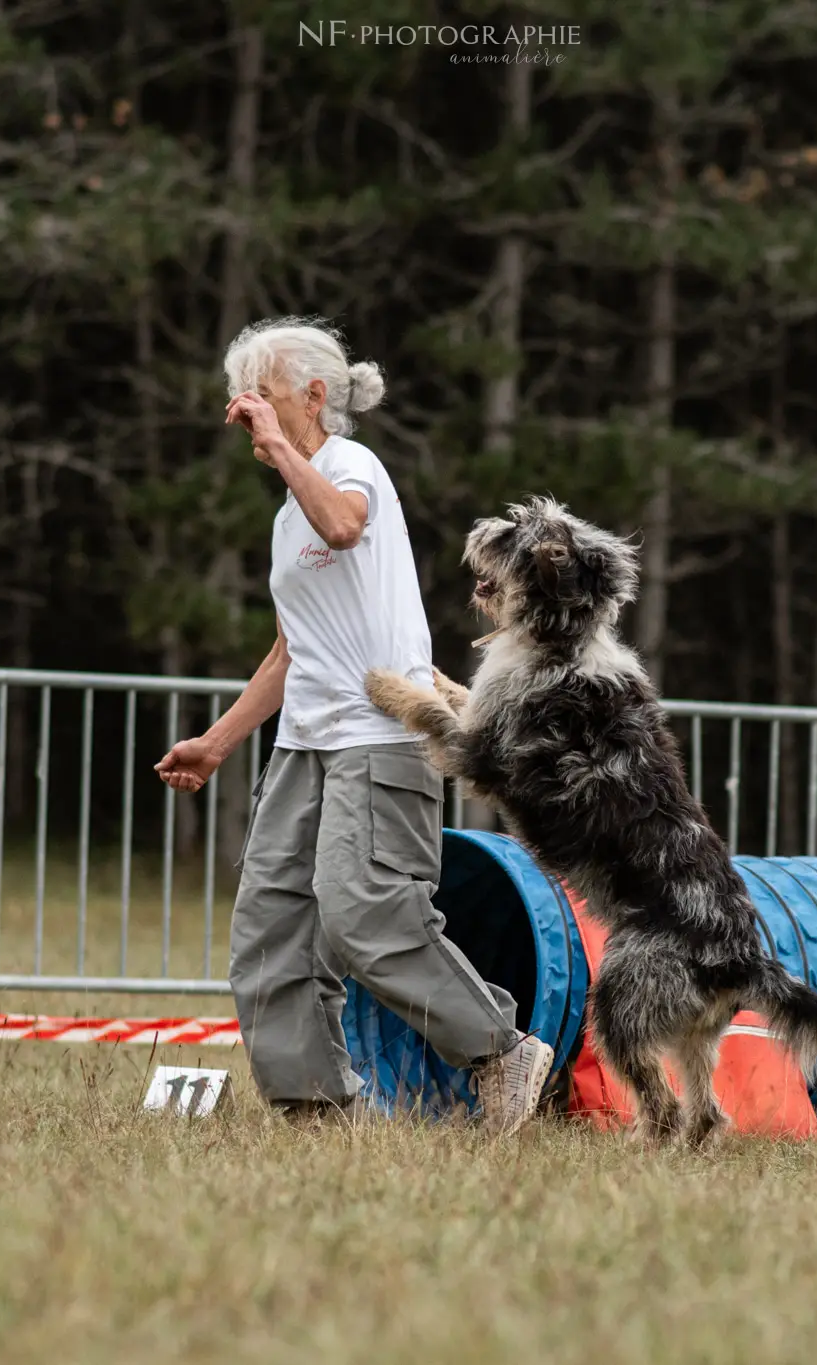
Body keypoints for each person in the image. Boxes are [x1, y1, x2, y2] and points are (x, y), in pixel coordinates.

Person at [155, 317, 554, 1131]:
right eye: (242, 402)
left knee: (364, 913)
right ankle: (318, 1107)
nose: (247, 416)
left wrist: (281, 444)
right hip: (305, 745)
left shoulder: (349, 467)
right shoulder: (283, 519)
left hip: (380, 736)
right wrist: (217, 744)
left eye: (260, 398)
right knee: (270, 927)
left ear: (311, 397)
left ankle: (498, 1049)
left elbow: (344, 523)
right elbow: (287, 650)